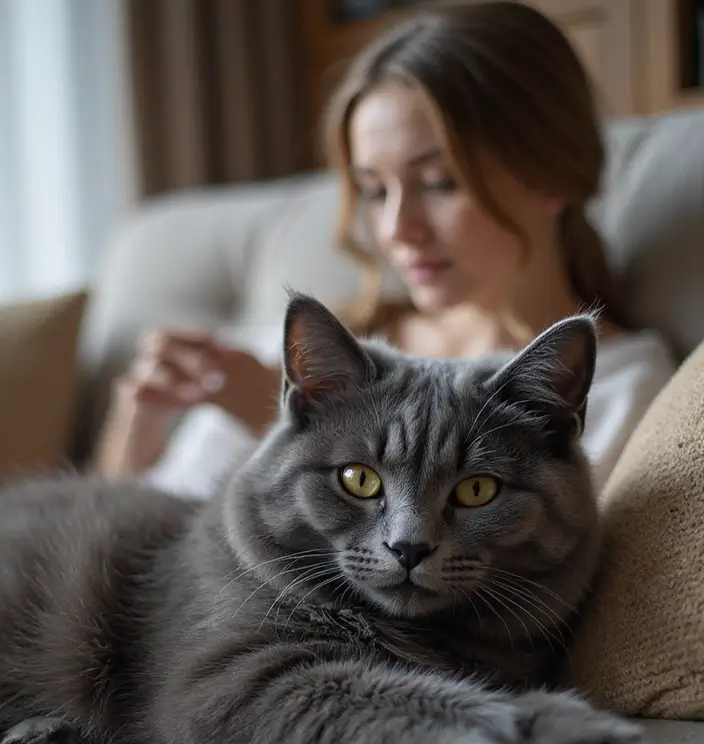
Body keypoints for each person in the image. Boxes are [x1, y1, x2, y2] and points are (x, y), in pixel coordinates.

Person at [94, 1, 676, 498]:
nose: (397, 228)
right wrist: (139, 418)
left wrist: (283, 424)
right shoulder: (323, 350)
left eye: (440, 182)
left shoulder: (623, 387)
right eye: (374, 191)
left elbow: (531, 593)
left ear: (550, 173)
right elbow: (127, 530)